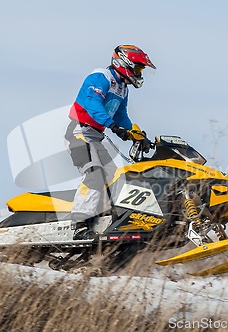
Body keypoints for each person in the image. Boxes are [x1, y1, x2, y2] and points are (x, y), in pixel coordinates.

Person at [65, 45, 156, 239]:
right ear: (125, 63)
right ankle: (80, 224)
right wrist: (112, 125)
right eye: (138, 68)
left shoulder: (122, 88)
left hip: (96, 137)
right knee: (94, 174)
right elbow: (92, 103)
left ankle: (103, 221)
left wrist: (135, 134)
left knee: (114, 177)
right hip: (79, 132)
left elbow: (122, 115)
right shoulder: (101, 77)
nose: (139, 73)